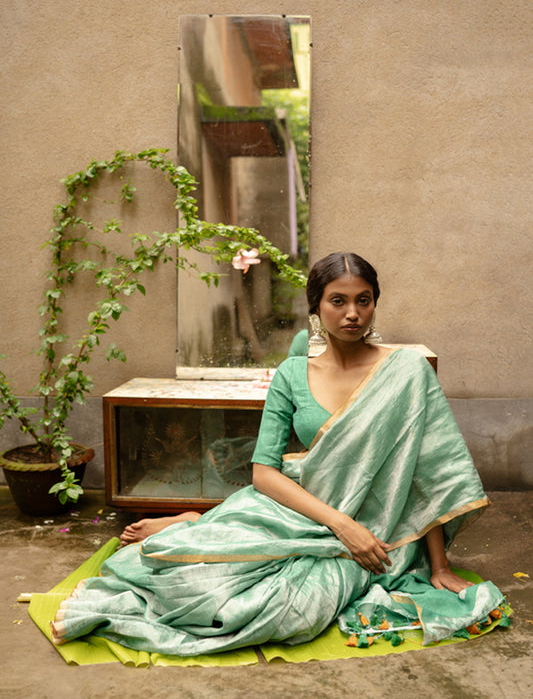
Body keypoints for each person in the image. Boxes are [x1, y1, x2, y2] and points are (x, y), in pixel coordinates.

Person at [51, 252, 505, 655]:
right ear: (316, 307)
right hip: (307, 511)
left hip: (379, 529)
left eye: (363, 300)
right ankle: (195, 522)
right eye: (338, 301)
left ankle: (202, 520)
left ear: (375, 303)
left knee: (293, 615)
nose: (352, 313)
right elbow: (264, 473)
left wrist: (439, 566)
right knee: (183, 580)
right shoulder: (292, 373)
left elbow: (431, 474)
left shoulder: (405, 370)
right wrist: (341, 524)